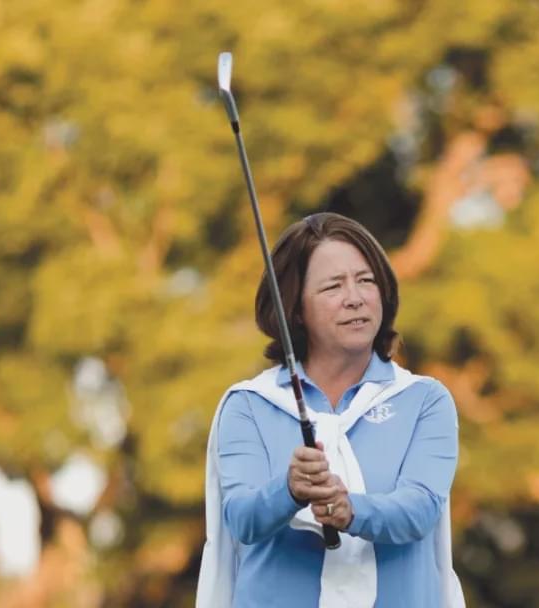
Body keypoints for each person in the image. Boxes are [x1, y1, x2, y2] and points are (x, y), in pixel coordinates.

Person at [195, 212, 465, 607]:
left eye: (366, 280)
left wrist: (350, 509)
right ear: (295, 308)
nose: (355, 297)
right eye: (333, 286)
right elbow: (241, 517)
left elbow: (420, 508)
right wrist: (289, 490)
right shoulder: (248, 405)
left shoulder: (425, 399)